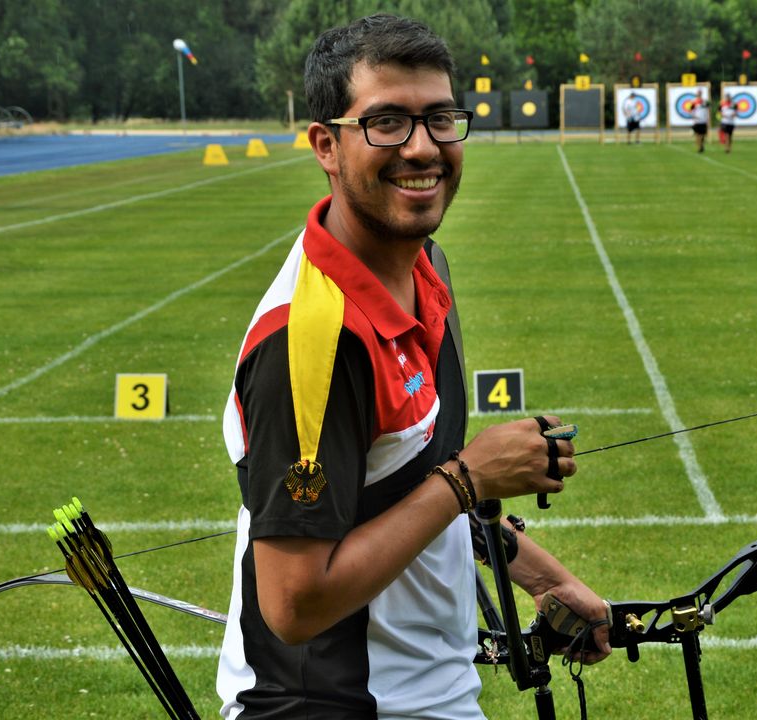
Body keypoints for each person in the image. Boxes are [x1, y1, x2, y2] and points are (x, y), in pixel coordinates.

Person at [217, 14, 610, 719]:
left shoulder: (426, 266)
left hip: (429, 692)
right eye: (387, 123)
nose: (423, 148)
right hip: (333, 707)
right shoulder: (310, 343)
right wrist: (469, 480)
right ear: (326, 146)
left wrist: (542, 577)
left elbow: (406, 486)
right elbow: (293, 604)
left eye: (440, 119)